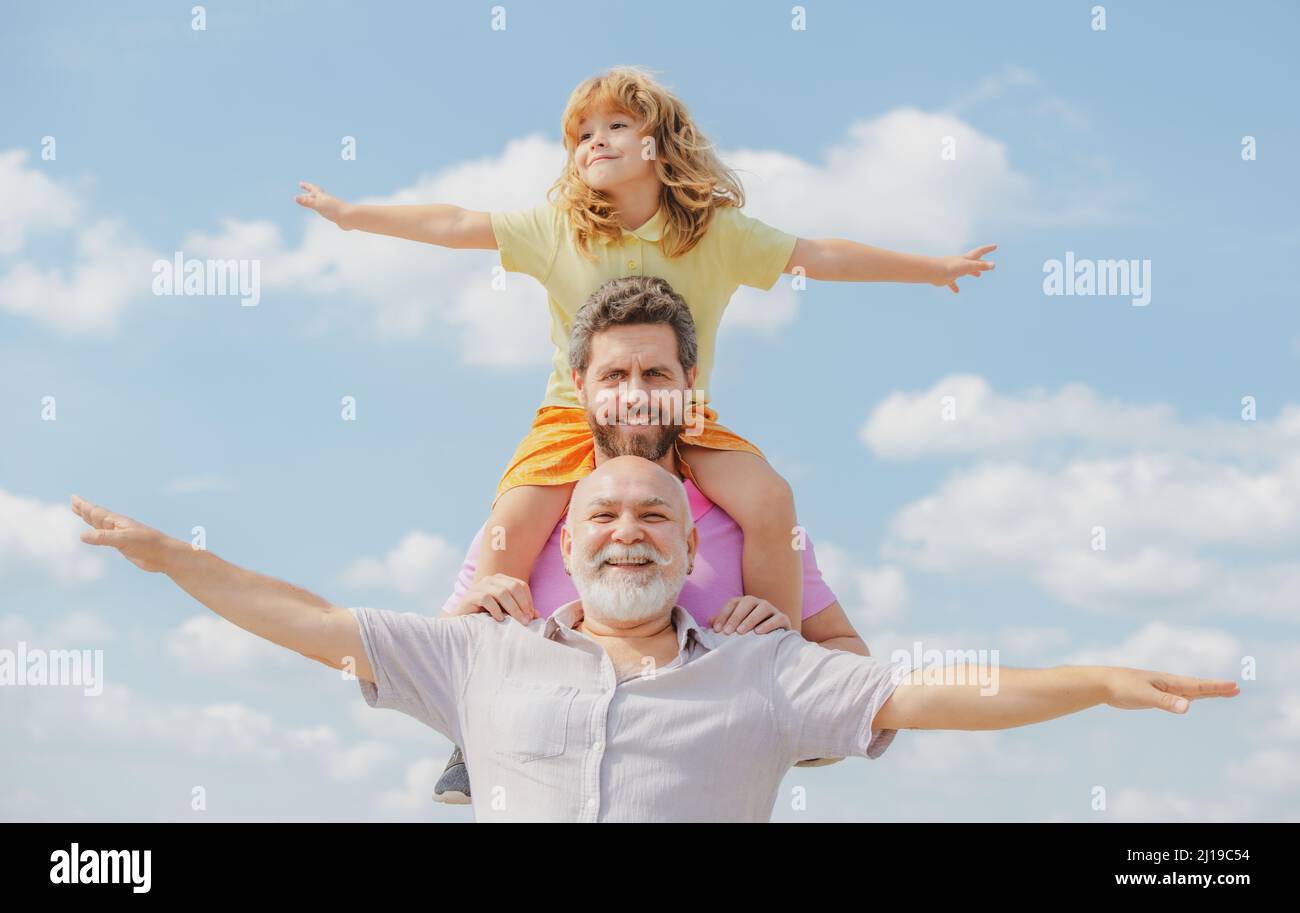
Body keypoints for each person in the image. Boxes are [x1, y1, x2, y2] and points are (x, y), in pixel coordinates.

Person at [72, 458, 1239, 822]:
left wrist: (1090, 678)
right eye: (602, 516)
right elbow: (308, 620)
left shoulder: (768, 668)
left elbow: (937, 692)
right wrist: (175, 558)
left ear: (690, 547)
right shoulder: (476, 650)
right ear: (563, 545)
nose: (626, 532)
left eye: (653, 517)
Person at [295, 65, 997, 641]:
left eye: (616, 126)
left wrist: (931, 267)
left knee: (771, 497)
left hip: (681, 414)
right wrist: (354, 215)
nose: (594, 142)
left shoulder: (717, 233)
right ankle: (465, 705)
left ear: (660, 144)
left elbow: (818, 254)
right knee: (509, 523)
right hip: (575, 416)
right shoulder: (556, 228)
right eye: (582, 135)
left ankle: (779, 653)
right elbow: (453, 222)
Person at [432, 275, 869, 802]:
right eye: (614, 375)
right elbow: (430, 671)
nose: (635, 396)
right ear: (579, 384)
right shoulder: (522, 523)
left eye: (656, 374)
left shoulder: (752, 525)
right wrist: (459, 631)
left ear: (690, 380)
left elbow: (851, 662)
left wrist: (792, 680)